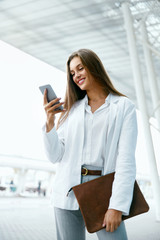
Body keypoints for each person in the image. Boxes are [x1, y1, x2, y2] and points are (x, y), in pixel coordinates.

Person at [42, 49, 137, 240]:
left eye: (80, 68)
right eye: (72, 73)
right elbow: (55, 156)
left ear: (94, 66)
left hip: (103, 192)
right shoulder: (72, 109)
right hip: (67, 191)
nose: (76, 75)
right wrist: (50, 123)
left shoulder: (123, 107)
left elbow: (125, 161)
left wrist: (116, 206)